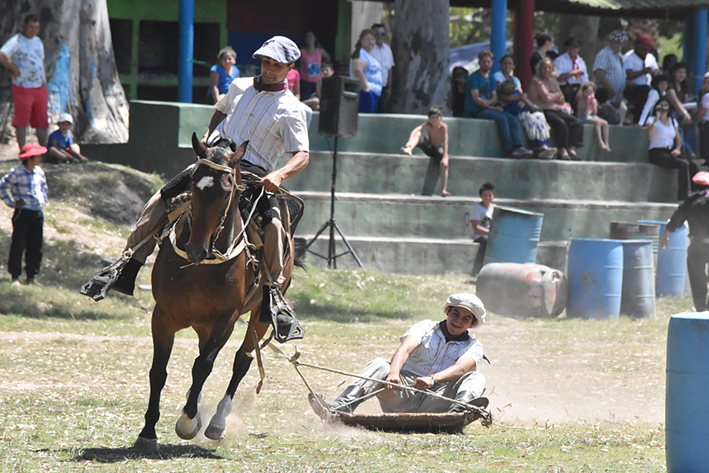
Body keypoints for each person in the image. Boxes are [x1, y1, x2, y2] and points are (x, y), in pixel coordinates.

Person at [84, 35, 310, 317]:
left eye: (276, 65)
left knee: (275, 226)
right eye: (266, 62)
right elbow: (221, 111)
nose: (268, 69)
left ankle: (273, 297)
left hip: (254, 176)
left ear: (289, 67)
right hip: (215, 164)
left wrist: (279, 175)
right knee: (162, 198)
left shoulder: (291, 109)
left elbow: (302, 155)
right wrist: (208, 135)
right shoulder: (239, 86)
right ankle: (125, 265)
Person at [313, 293, 488, 415]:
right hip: (402, 392)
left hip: (437, 401)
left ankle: (458, 413)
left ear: (472, 324)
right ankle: (341, 407)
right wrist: (394, 373)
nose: (457, 321)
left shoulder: (474, 346)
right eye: (455, 313)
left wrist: (433, 379)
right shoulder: (425, 327)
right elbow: (404, 349)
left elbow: (460, 369)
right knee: (380, 364)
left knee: (477, 378)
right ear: (447, 311)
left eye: (465, 318)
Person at [464, 50, 533, 159]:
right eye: (484, 61)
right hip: (476, 110)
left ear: (491, 63)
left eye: (488, 61)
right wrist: (491, 107)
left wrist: (493, 106)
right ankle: (508, 150)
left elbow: (494, 96)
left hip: (489, 108)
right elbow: (476, 99)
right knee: (502, 119)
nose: (486, 64)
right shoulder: (473, 78)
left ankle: (518, 146)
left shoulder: (491, 78)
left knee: (511, 118)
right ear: (480, 63)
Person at [660, 172, 709, 311]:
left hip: (697, 245)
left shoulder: (690, 201)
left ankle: (700, 309)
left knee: (696, 275)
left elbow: (677, 218)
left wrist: (666, 234)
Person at [0, 143, 48, 285]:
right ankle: (15, 276)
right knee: (19, 243)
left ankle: (31, 276)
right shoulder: (17, 172)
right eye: (38, 155)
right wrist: (11, 202)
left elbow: (44, 187)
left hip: (37, 212)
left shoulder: (39, 172)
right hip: (23, 212)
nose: (40, 158)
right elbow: (3, 185)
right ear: (30, 158)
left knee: (35, 245)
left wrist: (43, 200)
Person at [494, 54, 557, 160]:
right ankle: (537, 147)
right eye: (505, 63)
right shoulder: (497, 76)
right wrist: (518, 97)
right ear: (501, 64)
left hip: (520, 104)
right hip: (508, 106)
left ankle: (544, 146)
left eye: (510, 63)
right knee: (529, 118)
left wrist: (530, 104)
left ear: (514, 66)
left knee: (538, 116)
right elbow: (503, 95)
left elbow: (522, 95)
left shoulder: (516, 79)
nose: (507, 65)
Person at [0, 14, 48, 151]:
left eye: (36, 27)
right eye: (31, 27)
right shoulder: (17, 41)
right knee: (22, 119)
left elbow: (41, 60)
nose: (33, 30)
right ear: (25, 26)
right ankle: (23, 150)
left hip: (39, 86)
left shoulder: (38, 41)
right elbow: (2, 55)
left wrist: (44, 79)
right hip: (23, 86)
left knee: (42, 119)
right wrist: (14, 68)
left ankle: (43, 150)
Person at [528, 58, 584, 160]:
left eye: (549, 68)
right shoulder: (536, 81)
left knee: (577, 122)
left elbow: (562, 99)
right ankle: (562, 150)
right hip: (542, 110)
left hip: (554, 109)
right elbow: (547, 98)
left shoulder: (553, 81)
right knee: (560, 123)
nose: (546, 70)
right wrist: (555, 95)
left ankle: (571, 149)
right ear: (540, 69)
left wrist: (552, 96)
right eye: (544, 68)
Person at [647, 99, 701, 201]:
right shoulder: (651, 119)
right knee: (682, 164)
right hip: (657, 152)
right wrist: (657, 118)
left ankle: (697, 191)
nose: (663, 108)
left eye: (665, 105)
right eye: (661, 105)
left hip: (670, 150)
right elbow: (650, 133)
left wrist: (677, 149)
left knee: (693, 163)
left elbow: (678, 138)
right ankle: (683, 196)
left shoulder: (672, 121)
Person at [399, 105, 451, 196]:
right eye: (432, 118)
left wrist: (444, 158)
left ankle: (443, 189)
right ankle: (409, 149)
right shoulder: (427, 125)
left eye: (436, 117)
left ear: (441, 118)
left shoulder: (443, 127)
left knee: (444, 165)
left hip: (440, 149)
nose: (434, 120)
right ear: (429, 118)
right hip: (430, 148)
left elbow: (446, 142)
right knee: (419, 134)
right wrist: (409, 142)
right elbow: (415, 130)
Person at [592, 30, 629, 125]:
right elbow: (598, 71)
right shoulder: (604, 53)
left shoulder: (620, 56)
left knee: (622, 111)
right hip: (605, 95)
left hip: (617, 97)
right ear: (611, 42)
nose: (619, 45)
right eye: (617, 42)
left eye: (621, 43)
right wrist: (610, 88)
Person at [623, 34, 660, 124]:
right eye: (643, 49)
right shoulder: (629, 57)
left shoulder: (650, 57)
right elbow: (628, 75)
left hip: (647, 87)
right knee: (644, 91)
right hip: (632, 88)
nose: (645, 51)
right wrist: (642, 72)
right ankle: (638, 121)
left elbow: (656, 70)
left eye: (647, 49)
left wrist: (656, 73)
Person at [350, 29, 382, 113]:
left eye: (372, 39)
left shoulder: (369, 55)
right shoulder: (361, 53)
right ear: (361, 41)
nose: (370, 42)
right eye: (368, 39)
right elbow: (357, 70)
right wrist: (366, 89)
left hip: (374, 92)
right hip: (367, 93)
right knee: (365, 119)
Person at [554, 36, 588, 110]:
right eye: (570, 47)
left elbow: (585, 80)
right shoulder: (560, 60)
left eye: (575, 47)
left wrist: (582, 90)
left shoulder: (581, 62)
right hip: (565, 88)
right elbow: (557, 78)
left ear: (578, 49)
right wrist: (572, 73)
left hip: (579, 87)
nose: (572, 50)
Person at [576, 82, 611, 151]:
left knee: (605, 123)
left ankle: (606, 143)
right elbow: (584, 113)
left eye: (591, 92)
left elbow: (594, 112)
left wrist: (593, 103)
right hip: (583, 117)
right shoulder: (581, 100)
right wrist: (587, 102)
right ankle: (600, 141)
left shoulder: (594, 100)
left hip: (591, 116)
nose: (589, 93)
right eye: (587, 92)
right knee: (597, 123)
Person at [470, 183, 494, 277]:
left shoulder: (494, 208)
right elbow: (476, 227)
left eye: (490, 195)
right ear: (480, 196)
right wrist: (489, 232)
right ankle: (477, 270)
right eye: (485, 195)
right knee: (485, 242)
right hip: (480, 236)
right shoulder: (477, 208)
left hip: (492, 235)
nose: (487, 198)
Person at [369, 23, 395, 113]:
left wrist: (389, 88)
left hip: (383, 89)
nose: (380, 36)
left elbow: (389, 69)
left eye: (382, 34)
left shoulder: (387, 50)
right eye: (377, 34)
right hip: (371, 88)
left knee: (381, 112)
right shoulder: (369, 50)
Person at [299, 31, 331, 101]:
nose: (309, 39)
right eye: (307, 37)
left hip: (317, 81)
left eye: (311, 37)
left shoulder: (319, 51)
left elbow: (328, 58)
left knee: (320, 100)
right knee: (306, 100)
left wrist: (323, 66)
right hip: (306, 81)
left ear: (314, 38)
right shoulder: (302, 52)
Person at [692, 72, 709, 162]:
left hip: (706, 125)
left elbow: (700, 114)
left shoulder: (707, 96)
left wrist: (691, 118)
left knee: (705, 150)